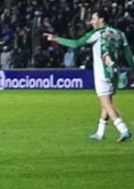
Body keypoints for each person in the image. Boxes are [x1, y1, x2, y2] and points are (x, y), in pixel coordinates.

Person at [44, 8, 133, 142]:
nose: (91, 22)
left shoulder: (97, 34)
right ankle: (100, 132)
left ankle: (123, 129)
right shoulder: (120, 34)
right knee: (106, 103)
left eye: (93, 18)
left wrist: (56, 39)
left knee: (107, 104)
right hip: (115, 73)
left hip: (102, 73)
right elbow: (128, 55)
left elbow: (75, 44)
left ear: (101, 19)